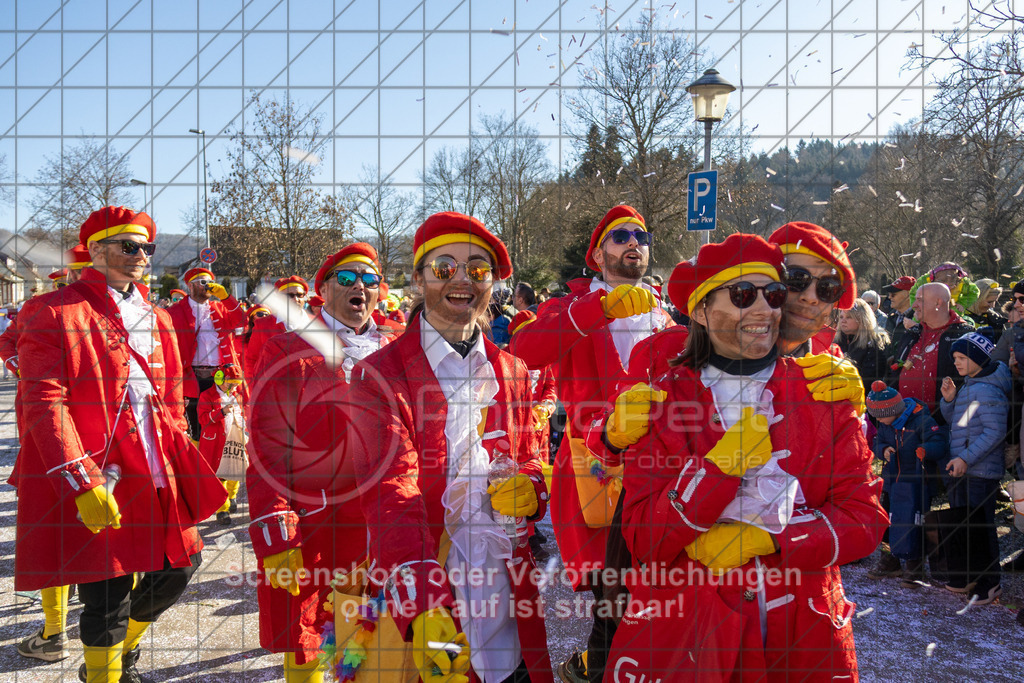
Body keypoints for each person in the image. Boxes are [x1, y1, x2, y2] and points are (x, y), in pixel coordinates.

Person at [606, 233, 886, 680]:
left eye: (773, 294)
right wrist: (715, 471)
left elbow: (865, 517)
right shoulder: (664, 386)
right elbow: (645, 538)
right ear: (700, 309)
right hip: (690, 633)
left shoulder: (825, 390)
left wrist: (776, 538)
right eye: (742, 295)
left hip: (801, 636)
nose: (767, 308)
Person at [15, 205, 225, 683]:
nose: (141, 256)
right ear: (96, 251)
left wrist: (181, 451)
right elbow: (45, 402)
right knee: (105, 593)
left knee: (181, 565)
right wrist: (81, 479)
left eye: (146, 248)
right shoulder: (51, 310)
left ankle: (125, 652)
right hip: (99, 473)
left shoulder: (156, 315)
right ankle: (103, 674)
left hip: (155, 467)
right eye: (128, 246)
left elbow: (171, 397)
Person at [349, 212, 553, 683]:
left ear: (494, 282)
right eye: (444, 267)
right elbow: (390, 495)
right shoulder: (378, 375)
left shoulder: (515, 370)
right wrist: (423, 604)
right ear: (419, 276)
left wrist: (532, 488)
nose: (461, 280)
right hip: (429, 599)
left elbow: (532, 457)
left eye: (477, 269)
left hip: (509, 602)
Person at [508, 205, 672, 683]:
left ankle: (612, 666)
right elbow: (524, 352)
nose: (633, 243)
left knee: (653, 587)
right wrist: (595, 310)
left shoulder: (662, 314)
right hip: (595, 470)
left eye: (640, 235)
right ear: (598, 254)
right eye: (619, 236)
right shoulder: (572, 306)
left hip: (655, 471)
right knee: (612, 589)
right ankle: (599, 669)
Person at [247, 243, 393, 683]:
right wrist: (275, 527)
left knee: (377, 631)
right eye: (347, 279)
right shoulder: (286, 350)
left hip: (385, 518)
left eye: (369, 280)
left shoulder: (398, 349)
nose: (360, 288)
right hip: (316, 519)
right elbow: (268, 443)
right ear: (324, 290)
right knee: (307, 629)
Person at [939, 329, 1010, 604]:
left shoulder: (989, 389)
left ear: (978, 357)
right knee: (966, 524)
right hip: (964, 468)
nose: (956, 362)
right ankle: (969, 575)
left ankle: (990, 582)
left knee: (981, 526)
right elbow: (962, 422)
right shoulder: (971, 384)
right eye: (955, 357)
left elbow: (993, 433)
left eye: (961, 357)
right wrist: (949, 401)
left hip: (980, 472)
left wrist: (965, 458)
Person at [864, 381, 947, 585]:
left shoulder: (922, 421)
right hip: (892, 482)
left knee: (914, 522)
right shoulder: (885, 424)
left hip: (917, 484)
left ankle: (914, 566)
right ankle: (890, 560)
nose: (880, 421)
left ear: (894, 410)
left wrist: (926, 449)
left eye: (882, 416)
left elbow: (940, 442)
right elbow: (876, 442)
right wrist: (883, 450)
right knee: (887, 521)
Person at [167, 267, 248, 442]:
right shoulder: (174, 312)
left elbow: (242, 320)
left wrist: (226, 297)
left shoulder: (220, 308)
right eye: (203, 282)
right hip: (191, 377)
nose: (208, 286)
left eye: (210, 282)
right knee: (196, 426)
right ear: (190, 286)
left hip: (220, 375)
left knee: (223, 425)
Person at [509, 309, 558, 563]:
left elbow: (551, 387)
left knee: (539, 480)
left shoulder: (546, 361)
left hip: (539, 431)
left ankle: (534, 529)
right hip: (517, 433)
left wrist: (547, 407)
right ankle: (529, 537)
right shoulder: (507, 358)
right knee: (521, 480)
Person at [889, 282, 975, 425]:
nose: (914, 305)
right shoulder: (912, 333)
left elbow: (973, 383)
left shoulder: (964, 335)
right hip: (903, 421)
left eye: (920, 300)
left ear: (938, 302)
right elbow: (895, 372)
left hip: (942, 425)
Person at [769, 221, 857, 357]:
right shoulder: (726, 357)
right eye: (796, 279)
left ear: (834, 303)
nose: (811, 297)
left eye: (827, 288)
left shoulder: (833, 370)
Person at [197, 363, 249, 526]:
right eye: (230, 382)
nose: (234, 386)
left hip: (234, 438)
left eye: (236, 383)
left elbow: (245, 413)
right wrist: (221, 412)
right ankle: (222, 509)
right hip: (216, 442)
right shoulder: (207, 396)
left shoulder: (238, 395)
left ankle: (232, 496)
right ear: (219, 378)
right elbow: (203, 419)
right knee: (220, 475)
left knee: (236, 470)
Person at [245, 275, 311, 379]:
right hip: (274, 390)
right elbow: (251, 360)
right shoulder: (263, 325)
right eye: (289, 295)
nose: (295, 299)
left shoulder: (316, 323)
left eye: (300, 295)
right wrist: (254, 389)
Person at [835, 298, 890, 387]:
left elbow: (870, 379)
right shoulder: (837, 341)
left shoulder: (875, 342)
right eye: (841, 317)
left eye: (849, 317)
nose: (843, 321)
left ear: (862, 319)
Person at [909, 262, 979, 318]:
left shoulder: (963, 282)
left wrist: (962, 303)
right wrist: (918, 308)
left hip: (953, 304)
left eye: (951, 286)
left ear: (958, 279)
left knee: (956, 315)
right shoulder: (924, 281)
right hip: (927, 308)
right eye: (942, 286)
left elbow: (974, 292)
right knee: (918, 320)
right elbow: (913, 294)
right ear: (934, 279)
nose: (947, 290)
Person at [881, 275, 916, 348]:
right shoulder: (891, 316)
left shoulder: (918, 317)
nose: (889, 297)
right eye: (889, 294)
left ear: (908, 294)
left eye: (893, 294)